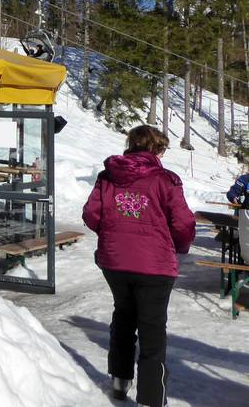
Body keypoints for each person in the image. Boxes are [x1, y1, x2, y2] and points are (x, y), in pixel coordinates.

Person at [82, 125, 195, 407]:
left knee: (123, 316)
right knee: (152, 329)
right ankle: (151, 398)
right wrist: (179, 246)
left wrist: (112, 234)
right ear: (156, 149)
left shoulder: (107, 176)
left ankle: (119, 381)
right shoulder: (166, 180)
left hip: (115, 261)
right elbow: (183, 223)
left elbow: (91, 214)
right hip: (154, 265)